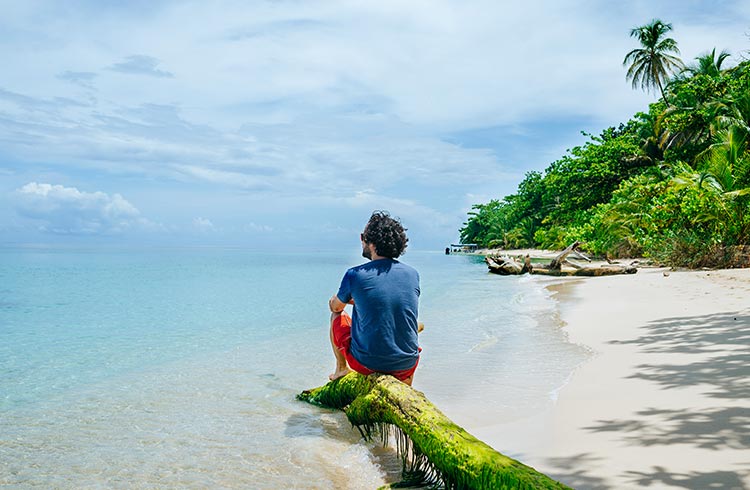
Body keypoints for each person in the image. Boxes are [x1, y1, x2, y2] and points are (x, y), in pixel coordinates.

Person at [328, 211, 421, 386]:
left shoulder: (355, 275)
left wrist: (338, 301)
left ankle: (341, 368)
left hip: (368, 364)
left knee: (336, 316)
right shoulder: (412, 274)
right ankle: (405, 383)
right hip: (408, 363)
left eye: (363, 237)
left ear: (370, 242)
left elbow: (336, 308)